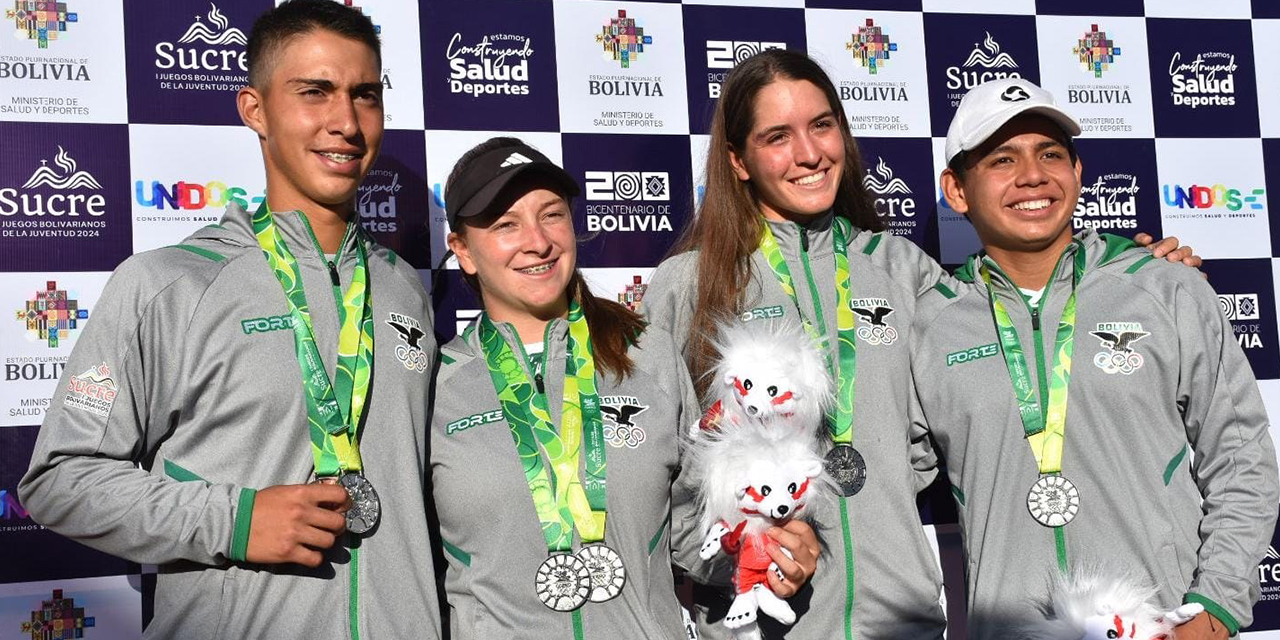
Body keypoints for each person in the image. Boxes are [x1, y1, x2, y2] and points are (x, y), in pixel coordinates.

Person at [642, 49, 1199, 640]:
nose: (809, 153)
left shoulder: (905, 269)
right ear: (738, 160)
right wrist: (736, 559)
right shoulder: (689, 285)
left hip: (900, 621)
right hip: (760, 620)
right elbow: (656, 480)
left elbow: (1018, 327)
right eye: (778, 136)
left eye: (822, 126)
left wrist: (1133, 272)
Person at [19, 2, 441, 638]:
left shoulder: (403, 285)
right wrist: (235, 520)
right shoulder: (168, 283)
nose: (346, 122)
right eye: (315, 92)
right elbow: (60, 480)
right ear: (255, 110)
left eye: (366, 95)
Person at [910, 77, 1278, 640]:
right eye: (1002, 159)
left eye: (1051, 154)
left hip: (1161, 628)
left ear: (1078, 174)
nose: (1033, 176)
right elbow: (880, 478)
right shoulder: (929, 324)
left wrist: (1213, 614)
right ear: (957, 190)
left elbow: (1242, 458)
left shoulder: (1165, 289)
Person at [428, 136, 819, 639]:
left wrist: (759, 553)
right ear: (463, 250)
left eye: (551, 214)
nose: (538, 241)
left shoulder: (646, 353)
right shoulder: (439, 383)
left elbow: (690, 527)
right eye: (506, 224)